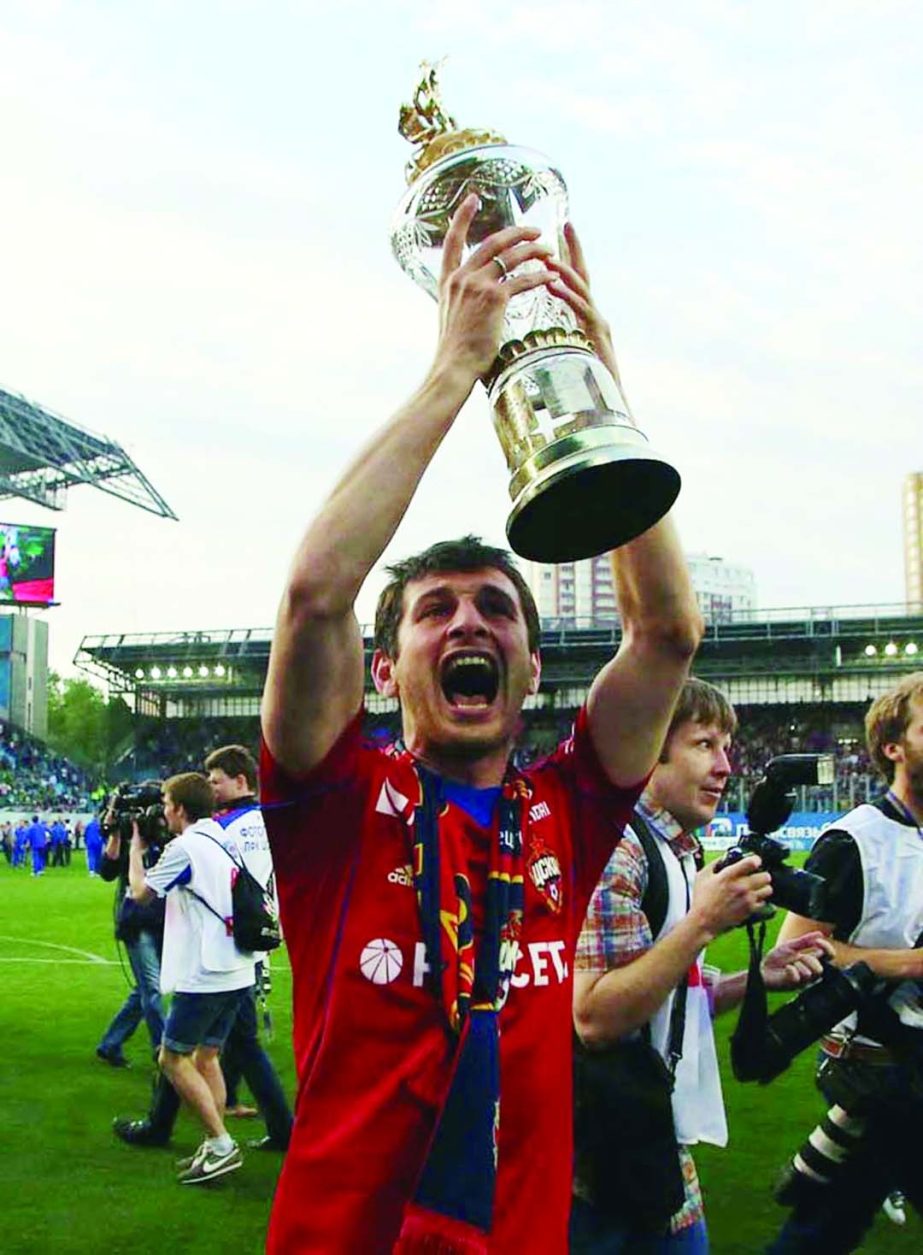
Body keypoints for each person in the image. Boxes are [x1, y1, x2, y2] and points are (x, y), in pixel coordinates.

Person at [259, 199, 703, 1253]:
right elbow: (316, 592)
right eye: (435, 609)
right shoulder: (334, 801)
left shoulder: (566, 808)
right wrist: (455, 367)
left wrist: (595, 392)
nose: (469, 619)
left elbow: (666, 632)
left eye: (496, 606)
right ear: (384, 669)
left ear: (533, 667)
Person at [571, 678, 831, 1252]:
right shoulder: (619, 848)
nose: (726, 766)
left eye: (727, 746)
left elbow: (668, 1002)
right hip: (599, 1166)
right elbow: (594, 1017)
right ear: (650, 750)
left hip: (652, 1141)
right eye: (704, 745)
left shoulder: (676, 850)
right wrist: (703, 924)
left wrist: (756, 978)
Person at [767, 672, 923, 1253]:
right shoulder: (855, 840)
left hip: (905, 1076)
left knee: (824, 1228)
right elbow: (800, 949)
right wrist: (910, 964)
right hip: (876, 1072)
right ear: (893, 747)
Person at [114, 746, 292, 1153]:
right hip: (246, 946)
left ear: (240, 782)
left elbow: (143, 892)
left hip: (215, 958)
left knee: (183, 1052)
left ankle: (214, 1136)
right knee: (214, 1051)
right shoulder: (254, 823)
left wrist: (138, 851)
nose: (213, 791)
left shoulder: (221, 830)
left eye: (216, 782)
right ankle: (204, 1129)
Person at [128, 772, 255, 1185]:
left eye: (166, 803)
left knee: (172, 1057)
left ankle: (220, 1144)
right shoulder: (221, 838)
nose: (163, 811)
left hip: (206, 973)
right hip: (238, 966)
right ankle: (213, 1142)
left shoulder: (186, 847)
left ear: (180, 808)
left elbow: (140, 894)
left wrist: (136, 848)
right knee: (207, 1057)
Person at [95, 802, 166, 1068]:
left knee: (145, 990)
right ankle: (165, 1051)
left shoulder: (168, 838)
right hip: (137, 922)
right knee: (153, 989)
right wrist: (116, 833)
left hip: (163, 921)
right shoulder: (127, 843)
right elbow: (107, 870)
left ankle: (110, 1043)